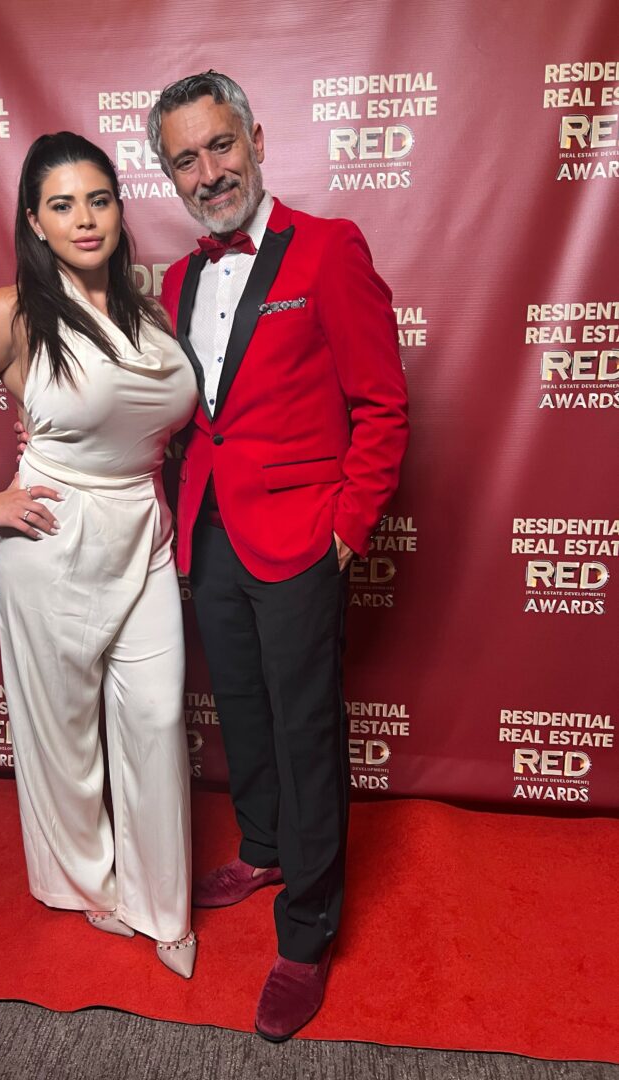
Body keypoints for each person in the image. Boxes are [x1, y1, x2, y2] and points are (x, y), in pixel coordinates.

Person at [0, 132, 199, 978]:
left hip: (144, 531)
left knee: (156, 715)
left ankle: (161, 901)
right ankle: (83, 881)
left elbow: (154, 423)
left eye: (98, 199)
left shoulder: (147, 313)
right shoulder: (12, 313)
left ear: (120, 209)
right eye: (61, 205)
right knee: (64, 731)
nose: (84, 219)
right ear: (34, 220)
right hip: (55, 539)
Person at [146, 72, 409, 1035]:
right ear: (170, 174)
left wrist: (346, 531)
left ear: (256, 139)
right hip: (210, 531)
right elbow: (185, 415)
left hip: (302, 537)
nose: (208, 172)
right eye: (186, 159)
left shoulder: (331, 248)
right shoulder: (177, 281)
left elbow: (382, 405)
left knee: (305, 729)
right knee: (243, 707)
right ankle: (262, 847)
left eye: (221, 145)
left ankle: (307, 930)